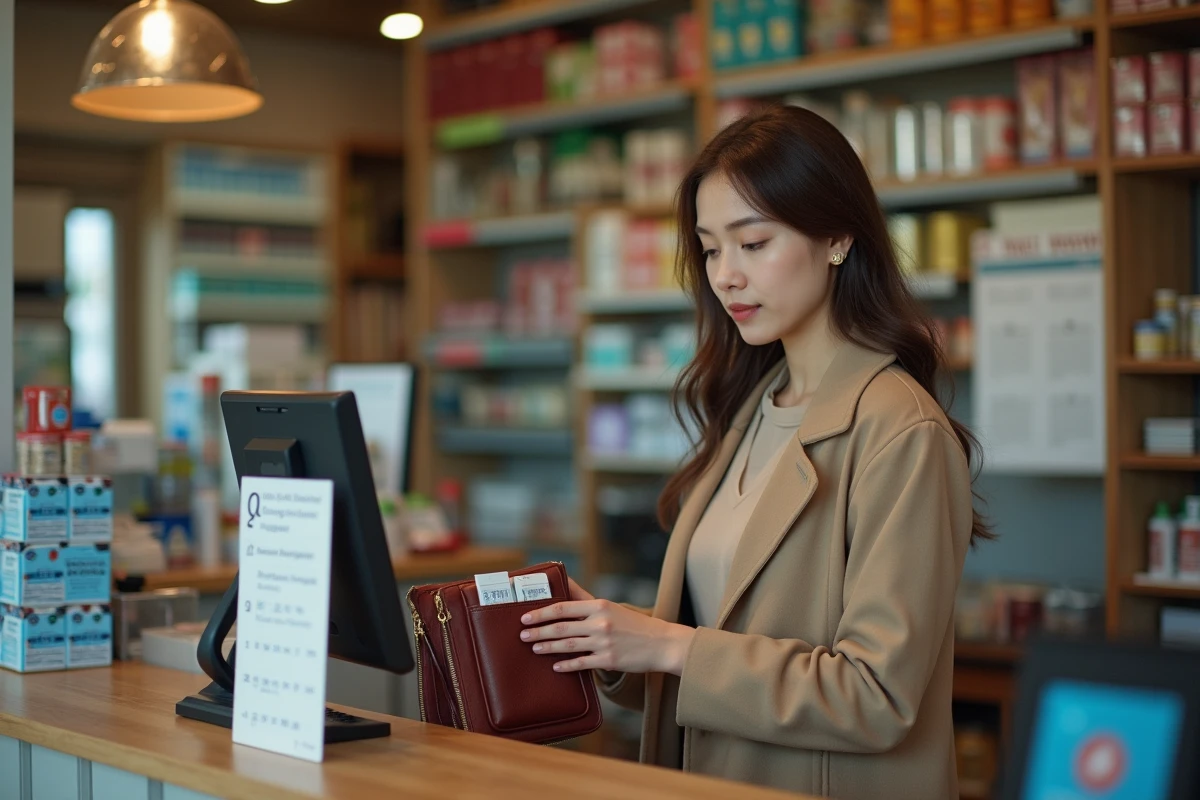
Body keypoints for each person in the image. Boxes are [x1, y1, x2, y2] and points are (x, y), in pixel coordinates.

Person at [519, 105, 987, 799]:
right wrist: (613, 638)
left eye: (753, 242)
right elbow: (721, 644)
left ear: (836, 237)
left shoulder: (900, 431)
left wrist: (669, 646)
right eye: (710, 249)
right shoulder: (749, 408)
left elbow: (877, 695)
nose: (726, 276)